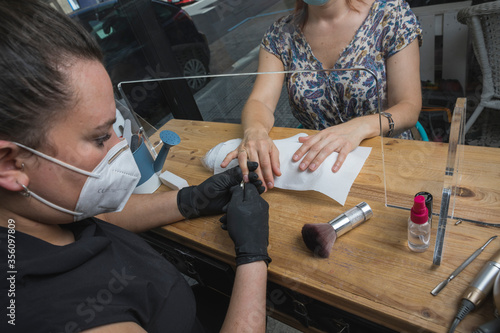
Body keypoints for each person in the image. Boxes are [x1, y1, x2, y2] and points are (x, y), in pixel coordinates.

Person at [0, 1, 269, 332]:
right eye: (100, 138)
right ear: (11, 164)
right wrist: (253, 257)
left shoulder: (35, 215)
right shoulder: (56, 312)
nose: (120, 146)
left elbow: (93, 219)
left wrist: (191, 199)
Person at [221, 0, 423, 191]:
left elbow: (408, 106)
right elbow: (260, 101)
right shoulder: (280, 35)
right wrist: (255, 131)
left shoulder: (391, 15)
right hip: (319, 170)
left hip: (390, 161)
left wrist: (360, 127)